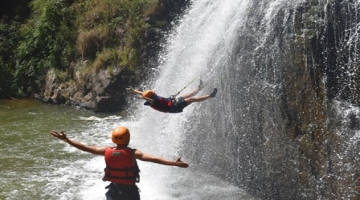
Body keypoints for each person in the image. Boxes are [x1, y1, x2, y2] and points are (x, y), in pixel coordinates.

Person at [50, 126, 189, 200]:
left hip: (113, 191)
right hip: (130, 192)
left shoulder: (105, 150)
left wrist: (67, 140)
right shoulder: (133, 153)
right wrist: (173, 163)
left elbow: (85, 148)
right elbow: (154, 159)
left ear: (113, 139)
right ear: (128, 139)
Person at [126, 79, 218, 113]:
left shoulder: (152, 98)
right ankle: (210, 95)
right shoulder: (154, 101)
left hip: (172, 103)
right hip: (174, 108)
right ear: (152, 95)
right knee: (191, 99)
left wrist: (133, 91)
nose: (154, 92)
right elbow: (148, 98)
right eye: (153, 92)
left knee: (186, 95)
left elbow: (143, 93)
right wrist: (143, 98)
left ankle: (199, 88)